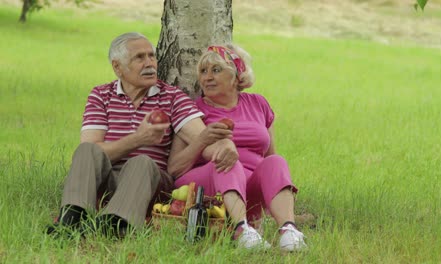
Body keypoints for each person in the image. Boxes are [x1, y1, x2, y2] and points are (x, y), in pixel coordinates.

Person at [46, 32, 238, 238]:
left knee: (142, 162)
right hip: (108, 177)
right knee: (85, 150)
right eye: (139, 57)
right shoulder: (101, 95)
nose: (150, 63)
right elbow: (93, 150)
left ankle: (116, 224)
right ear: (117, 67)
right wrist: (139, 139)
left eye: (151, 56)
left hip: (149, 180)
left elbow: (203, 138)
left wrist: (226, 145)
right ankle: (71, 218)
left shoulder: (172, 97)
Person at [168, 44, 307, 251]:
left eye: (216, 70)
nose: (207, 77)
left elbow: (269, 158)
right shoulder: (193, 110)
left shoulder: (258, 103)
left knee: (276, 162)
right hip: (207, 184)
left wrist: (271, 202)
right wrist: (203, 140)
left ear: (236, 75)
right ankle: (242, 230)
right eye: (203, 72)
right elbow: (174, 169)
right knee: (227, 160)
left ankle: (288, 231)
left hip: (247, 186)